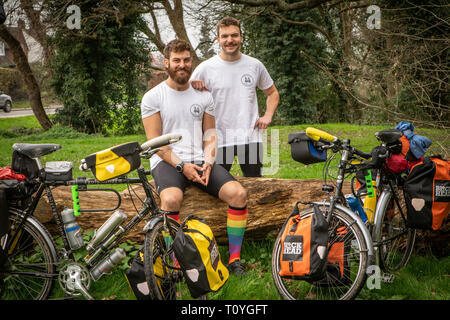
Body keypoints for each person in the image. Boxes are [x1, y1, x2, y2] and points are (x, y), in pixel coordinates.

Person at [141, 39, 249, 275]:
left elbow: (210, 135)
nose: (182, 65)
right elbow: (155, 144)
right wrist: (182, 167)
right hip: (168, 161)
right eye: (177, 60)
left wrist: (209, 162)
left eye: (186, 60)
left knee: (238, 194)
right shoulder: (152, 97)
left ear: (191, 61)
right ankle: (175, 262)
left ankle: (235, 259)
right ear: (166, 63)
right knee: (170, 200)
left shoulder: (203, 95)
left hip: (200, 161)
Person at [191, 16, 279, 177]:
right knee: (217, 188)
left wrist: (268, 115)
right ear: (218, 39)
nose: (229, 40)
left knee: (256, 185)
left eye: (234, 35)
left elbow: (272, 93)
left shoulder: (255, 65)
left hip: (250, 137)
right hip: (218, 139)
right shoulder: (205, 68)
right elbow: (186, 99)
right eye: (224, 36)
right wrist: (192, 88)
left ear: (241, 37)